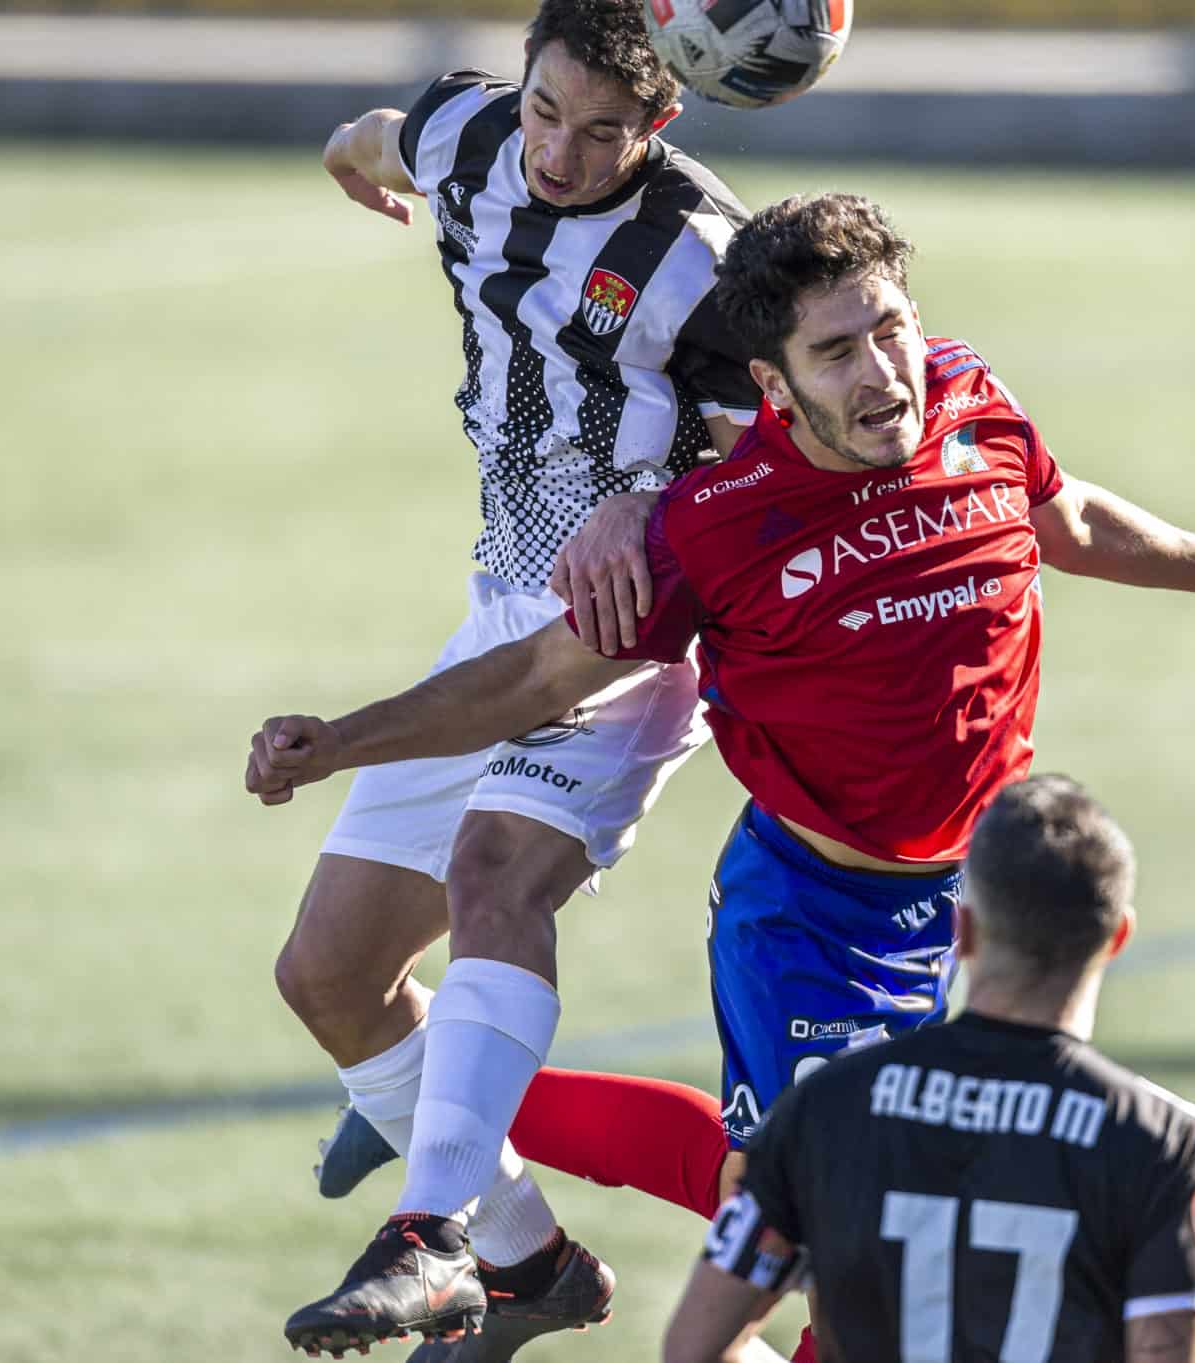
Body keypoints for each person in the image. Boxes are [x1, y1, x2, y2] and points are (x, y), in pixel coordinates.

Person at [250, 191, 1195, 1355]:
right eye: (835, 352)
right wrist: (344, 739)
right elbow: (533, 679)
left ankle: (445, 1108)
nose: (883, 371)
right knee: (847, 1258)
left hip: (974, 903)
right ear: (773, 383)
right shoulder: (712, 524)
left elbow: (1067, 517)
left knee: (822, 1219)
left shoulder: (971, 397)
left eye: (888, 327)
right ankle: (456, 1128)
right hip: (816, 922)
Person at [270, 1, 762, 1358]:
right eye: (547, 111)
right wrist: (346, 159)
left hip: (629, 627)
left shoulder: (705, 257)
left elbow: (763, 472)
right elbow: (375, 137)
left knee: (495, 872)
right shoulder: (468, 130)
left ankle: (428, 1231)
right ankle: (527, 1255)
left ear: (661, 124)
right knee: (329, 972)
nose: (559, 153)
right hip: (495, 611)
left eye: (605, 131)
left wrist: (654, 505)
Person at [664, 775, 1195, 1363]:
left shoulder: (826, 1108)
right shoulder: (1160, 1141)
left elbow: (695, 1348)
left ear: (960, 930)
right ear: (1117, 938)